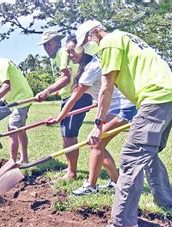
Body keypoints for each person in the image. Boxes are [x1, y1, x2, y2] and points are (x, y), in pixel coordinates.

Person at [76, 20, 172, 227]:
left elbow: (107, 86)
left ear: (95, 33)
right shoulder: (125, 37)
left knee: (131, 157)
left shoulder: (109, 43)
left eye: (87, 41)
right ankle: (168, 203)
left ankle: (123, 223)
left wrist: (98, 125)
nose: (89, 46)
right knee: (148, 153)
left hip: (155, 97)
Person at [46, 35, 137, 196]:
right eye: (67, 52)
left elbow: (75, 97)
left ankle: (91, 186)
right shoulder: (86, 66)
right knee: (98, 144)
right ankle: (116, 182)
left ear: (84, 49)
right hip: (115, 108)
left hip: (125, 108)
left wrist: (59, 117)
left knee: (95, 143)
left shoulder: (92, 67)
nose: (70, 54)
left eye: (73, 50)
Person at [36, 30, 93, 180]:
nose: (46, 48)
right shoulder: (59, 55)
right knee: (65, 134)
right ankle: (70, 168)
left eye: (49, 44)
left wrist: (46, 91)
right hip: (68, 97)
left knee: (70, 134)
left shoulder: (62, 52)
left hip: (78, 97)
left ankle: (72, 173)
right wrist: (58, 91)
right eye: (44, 45)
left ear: (57, 42)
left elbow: (66, 78)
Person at [0, 47, 34, 164]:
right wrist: (0, 101)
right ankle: (24, 159)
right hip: (19, 98)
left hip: (21, 99)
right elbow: (10, 87)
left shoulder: (2, 65)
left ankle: (12, 161)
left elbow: (6, 86)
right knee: (20, 130)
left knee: (12, 128)